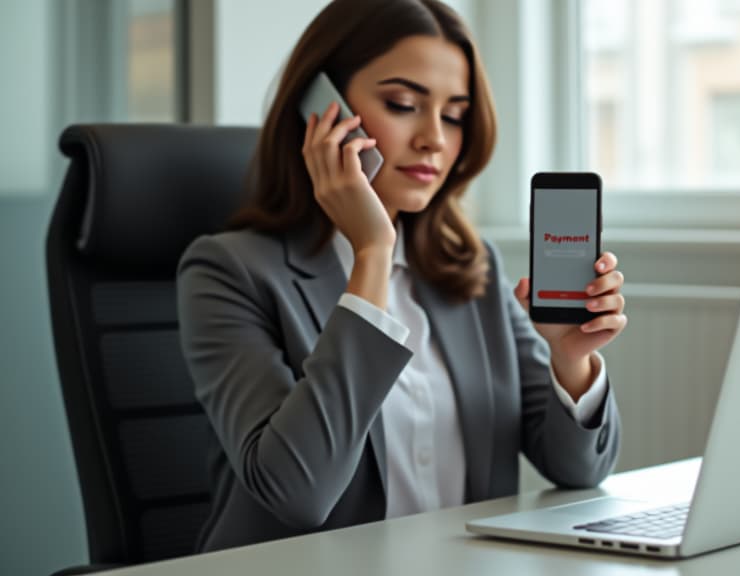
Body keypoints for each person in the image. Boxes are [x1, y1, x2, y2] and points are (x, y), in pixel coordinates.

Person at [177, 0, 627, 553]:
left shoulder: (472, 267)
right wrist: (371, 252)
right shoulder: (229, 272)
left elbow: (578, 470)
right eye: (403, 104)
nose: (435, 138)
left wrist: (571, 359)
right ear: (322, 110)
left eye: (455, 114)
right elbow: (296, 491)